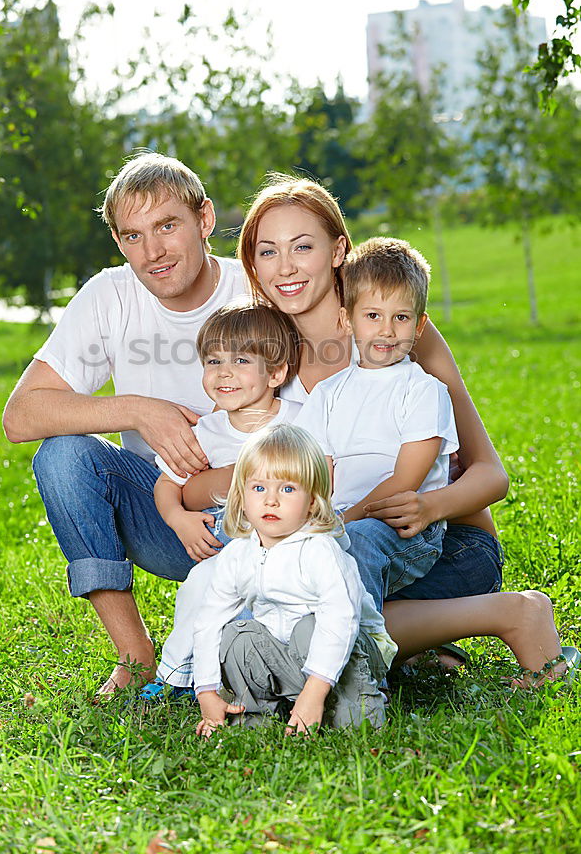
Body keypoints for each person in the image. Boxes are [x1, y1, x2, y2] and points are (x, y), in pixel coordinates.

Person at [183, 172, 575, 684]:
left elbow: (489, 476)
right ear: (251, 262)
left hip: (444, 543)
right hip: (340, 534)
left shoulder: (400, 333)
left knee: (324, 608)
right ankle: (420, 642)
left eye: (303, 246)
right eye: (266, 252)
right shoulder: (262, 355)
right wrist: (272, 480)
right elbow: (202, 484)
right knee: (295, 598)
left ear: (338, 249)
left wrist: (428, 505)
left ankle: (495, 614)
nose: (286, 267)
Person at [2, 152, 249, 696]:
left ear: (204, 220)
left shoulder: (252, 291)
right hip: (166, 518)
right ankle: (135, 654)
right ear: (118, 242)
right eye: (133, 236)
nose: (153, 252)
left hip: (268, 519)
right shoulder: (109, 295)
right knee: (62, 455)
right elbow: (21, 416)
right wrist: (138, 409)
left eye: (167, 226)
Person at [193, 424, 396, 737]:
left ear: (312, 502)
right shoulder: (238, 556)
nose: (271, 500)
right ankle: (253, 715)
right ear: (242, 496)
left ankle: (352, 704)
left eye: (287, 489)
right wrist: (206, 691)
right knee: (238, 634)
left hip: (350, 654)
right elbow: (208, 623)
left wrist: (314, 695)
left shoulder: (321, 551)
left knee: (309, 629)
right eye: (259, 488)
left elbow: (340, 622)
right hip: (288, 651)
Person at [295, 236, 459, 611]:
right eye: (372, 316)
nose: (386, 330)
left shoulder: (423, 391)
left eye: (400, 318)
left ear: (419, 325)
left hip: (404, 532)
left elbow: (404, 484)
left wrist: (341, 524)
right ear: (346, 319)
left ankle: (362, 663)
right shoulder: (328, 393)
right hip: (339, 519)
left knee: (360, 543)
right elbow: (317, 472)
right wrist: (313, 522)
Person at [149, 299, 302, 694]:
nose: (224, 373)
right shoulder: (208, 432)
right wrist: (177, 519)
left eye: (241, 361)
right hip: (228, 540)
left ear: (276, 372)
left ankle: (273, 674)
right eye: (213, 362)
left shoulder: (301, 419)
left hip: (291, 542)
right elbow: (166, 485)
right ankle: (176, 677)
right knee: (201, 587)